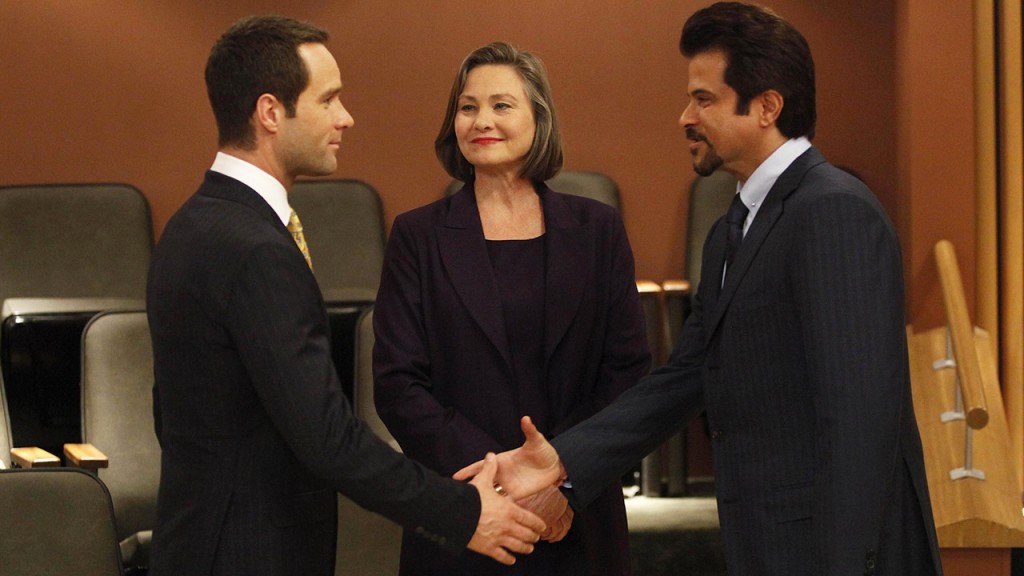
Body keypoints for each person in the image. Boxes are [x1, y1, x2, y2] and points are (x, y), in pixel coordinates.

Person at [457, 3, 943, 575]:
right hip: (770, 543)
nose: (685, 116)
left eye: (704, 99)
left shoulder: (832, 210)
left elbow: (860, 417)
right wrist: (563, 460)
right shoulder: (732, 229)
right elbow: (686, 377)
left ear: (767, 107)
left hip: (832, 554)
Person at [146, 16, 546, 576]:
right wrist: (462, 512)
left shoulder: (192, 224)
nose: (345, 117)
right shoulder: (254, 248)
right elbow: (326, 438)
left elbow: (171, 415)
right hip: (249, 552)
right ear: (270, 113)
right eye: (329, 99)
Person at [372, 42, 651, 575]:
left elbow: (628, 373)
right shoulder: (417, 235)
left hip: (576, 510)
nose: (482, 120)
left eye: (501, 105)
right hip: (464, 511)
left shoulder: (598, 230)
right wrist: (496, 480)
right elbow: (397, 382)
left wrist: (560, 478)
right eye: (467, 106)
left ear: (538, 118)